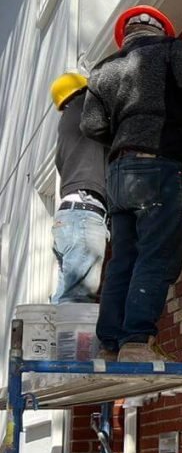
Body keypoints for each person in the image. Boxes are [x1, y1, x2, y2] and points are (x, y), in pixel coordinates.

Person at [80, 5, 182, 362]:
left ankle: (110, 345)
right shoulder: (171, 50)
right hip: (158, 165)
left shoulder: (103, 70)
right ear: (161, 30)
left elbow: (92, 126)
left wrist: (126, 126)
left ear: (125, 36)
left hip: (118, 174)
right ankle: (137, 342)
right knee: (157, 255)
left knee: (123, 259)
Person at [49, 73, 109, 304]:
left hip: (68, 218)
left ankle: (54, 341)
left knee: (64, 299)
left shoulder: (66, 126)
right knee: (78, 298)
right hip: (84, 213)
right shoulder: (86, 107)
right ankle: (68, 343)